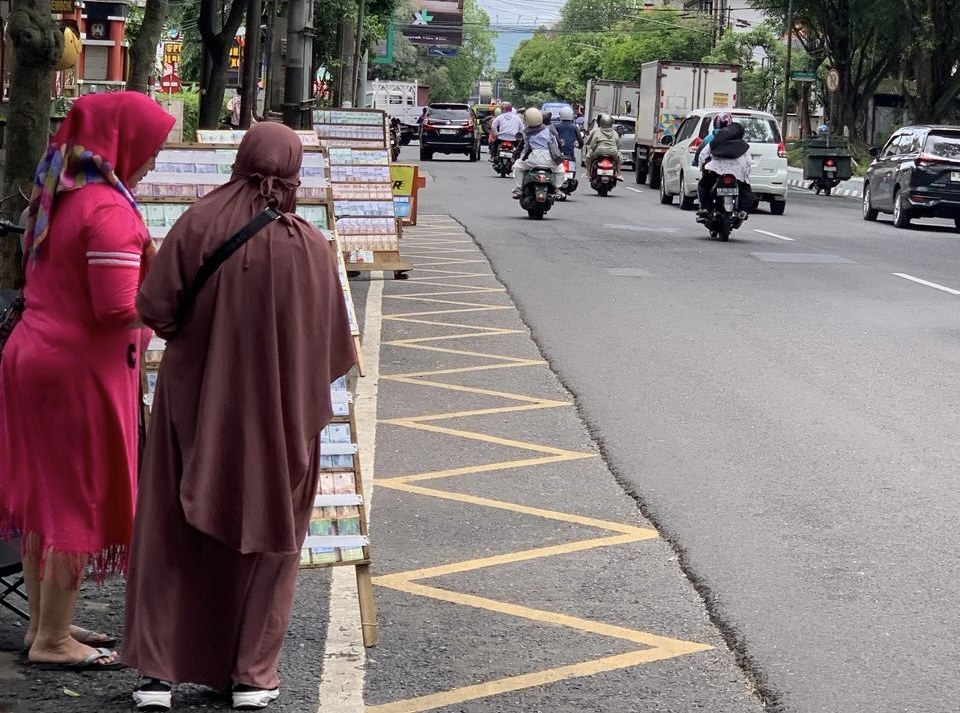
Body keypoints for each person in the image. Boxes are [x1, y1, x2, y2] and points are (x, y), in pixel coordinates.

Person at [123, 122, 357, 711]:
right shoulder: (310, 244)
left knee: (173, 531)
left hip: (195, 406)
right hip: (280, 419)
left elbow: (155, 307)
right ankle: (253, 674)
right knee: (269, 538)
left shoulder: (199, 221)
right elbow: (334, 350)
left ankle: (157, 673)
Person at [0, 92, 174, 670]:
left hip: (35, 357)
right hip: (74, 373)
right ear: (123, 145)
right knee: (75, 497)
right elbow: (115, 307)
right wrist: (174, 301)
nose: (152, 164)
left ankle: (45, 623)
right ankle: (52, 640)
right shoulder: (109, 212)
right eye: (150, 150)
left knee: (44, 499)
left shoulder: (60, 195)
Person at [696, 121, 754, 222]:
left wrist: (702, 167)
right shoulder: (743, 145)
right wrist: (746, 176)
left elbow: (703, 154)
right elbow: (748, 161)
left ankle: (705, 208)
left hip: (716, 170)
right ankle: (743, 210)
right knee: (745, 189)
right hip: (737, 173)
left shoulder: (715, 141)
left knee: (703, 185)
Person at [512, 108, 563, 198]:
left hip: (534, 159)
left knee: (517, 166)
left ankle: (519, 188)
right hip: (549, 159)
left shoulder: (526, 132)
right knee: (560, 169)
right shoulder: (549, 130)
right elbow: (555, 145)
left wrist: (522, 158)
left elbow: (526, 149)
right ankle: (557, 189)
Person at [584, 113, 622, 179]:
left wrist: (591, 150)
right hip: (613, 152)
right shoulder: (614, 133)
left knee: (588, 157)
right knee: (619, 159)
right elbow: (618, 144)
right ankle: (618, 174)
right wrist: (617, 151)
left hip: (599, 151)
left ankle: (588, 173)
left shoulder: (597, 132)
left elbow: (593, 144)